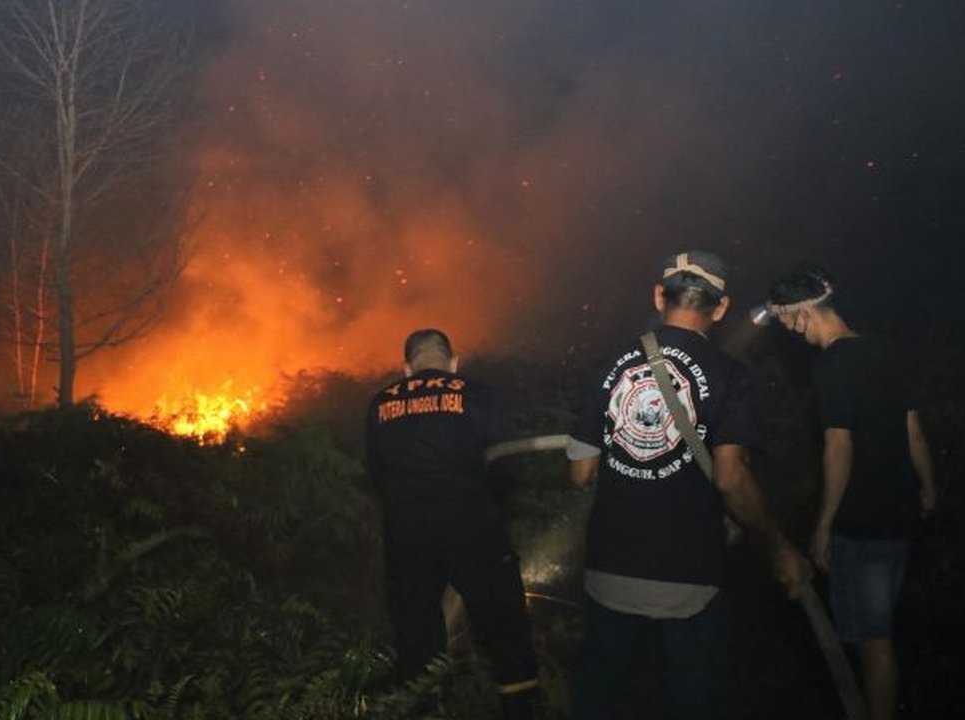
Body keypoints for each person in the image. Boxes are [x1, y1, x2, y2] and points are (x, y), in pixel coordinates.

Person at [564, 251, 812, 720]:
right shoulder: (732, 376)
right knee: (693, 699)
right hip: (690, 576)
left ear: (659, 296)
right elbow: (731, 477)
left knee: (599, 693)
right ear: (720, 309)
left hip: (610, 569)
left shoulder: (606, 366)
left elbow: (579, 472)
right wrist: (780, 547)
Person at [762, 265, 935, 720]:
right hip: (900, 515)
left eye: (783, 318)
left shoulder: (832, 365)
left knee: (871, 643)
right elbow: (913, 430)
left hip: (861, 524)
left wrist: (823, 526)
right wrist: (928, 489)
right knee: (878, 637)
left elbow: (839, 445)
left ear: (802, 313)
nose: (784, 328)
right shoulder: (884, 352)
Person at [365, 328, 539, 720]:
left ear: (407, 368)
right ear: (453, 362)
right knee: (503, 625)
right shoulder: (479, 395)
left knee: (416, 631)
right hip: (473, 527)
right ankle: (519, 706)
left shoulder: (380, 403)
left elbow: (376, 472)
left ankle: (423, 706)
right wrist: (491, 507)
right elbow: (508, 463)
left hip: (407, 535)